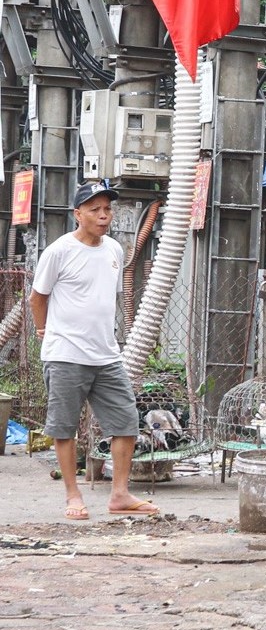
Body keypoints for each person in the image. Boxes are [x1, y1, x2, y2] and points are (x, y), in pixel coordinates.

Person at [31, 182, 160, 520]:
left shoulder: (114, 250)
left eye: (107, 210)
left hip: (106, 355)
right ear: (78, 214)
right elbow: (37, 297)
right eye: (95, 210)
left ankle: (119, 494)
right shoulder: (59, 251)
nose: (104, 216)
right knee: (64, 427)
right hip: (65, 354)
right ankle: (73, 495)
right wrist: (44, 333)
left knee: (126, 422)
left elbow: (109, 297)